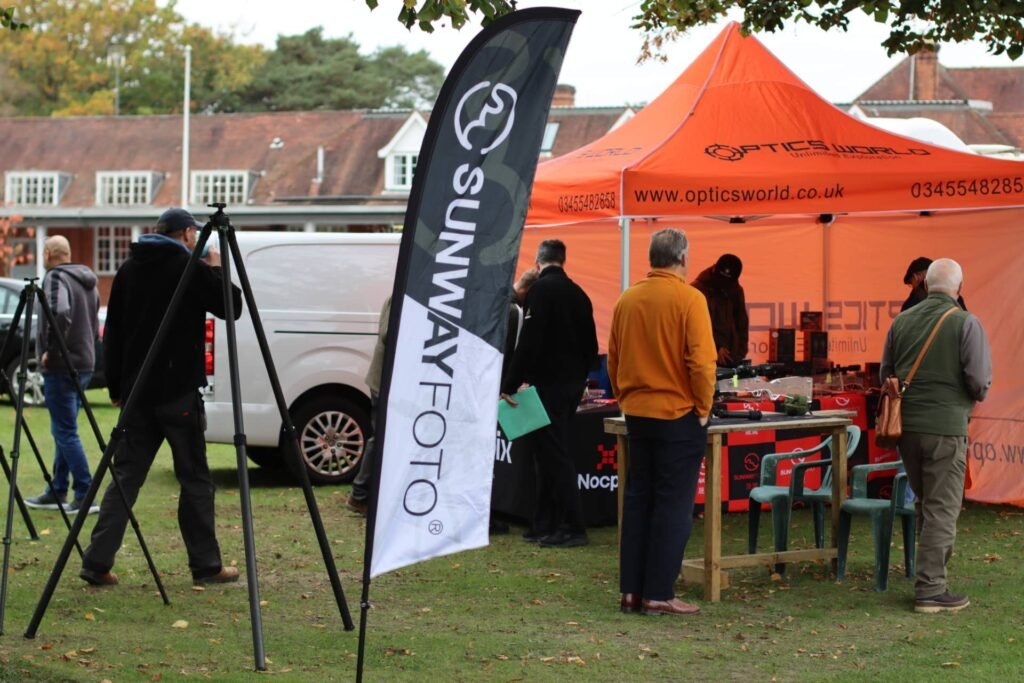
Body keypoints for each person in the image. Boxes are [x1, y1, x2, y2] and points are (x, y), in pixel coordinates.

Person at [79, 208, 242, 587]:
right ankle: (205, 564)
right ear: (187, 234)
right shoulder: (188, 268)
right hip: (178, 391)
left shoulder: (128, 270)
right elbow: (231, 305)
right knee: (195, 478)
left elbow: (114, 333)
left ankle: (97, 560)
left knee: (126, 477)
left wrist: (117, 388)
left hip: (138, 391)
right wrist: (216, 266)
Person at [608, 229, 717, 616]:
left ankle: (631, 592)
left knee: (639, 502)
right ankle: (658, 592)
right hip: (678, 415)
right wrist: (704, 408)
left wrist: (627, 398)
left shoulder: (628, 298)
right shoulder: (690, 299)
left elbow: (613, 359)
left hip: (638, 413)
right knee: (673, 505)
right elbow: (702, 363)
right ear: (683, 257)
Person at [880, 258, 991, 614]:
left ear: (924, 284)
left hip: (906, 428)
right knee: (942, 508)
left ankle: (927, 576)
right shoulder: (965, 322)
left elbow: (886, 374)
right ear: (959, 286)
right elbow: (978, 381)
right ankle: (931, 589)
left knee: (926, 503)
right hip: (946, 426)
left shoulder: (902, 322)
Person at [502, 240, 598, 548]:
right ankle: (543, 522)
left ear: (538, 262)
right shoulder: (579, 294)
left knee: (553, 456)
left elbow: (529, 342)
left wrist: (510, 382)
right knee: (549, 452)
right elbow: (592, 347)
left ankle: (572, 526)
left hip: (547, 386)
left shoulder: (541, 292)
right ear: (563, 260)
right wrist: (579, 378)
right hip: (570, 385)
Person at [25, 235, 101, 514]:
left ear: (48, 253)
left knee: (65, 430)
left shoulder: (55, 278)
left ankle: (84, 492)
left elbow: (60, 312)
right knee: (64, 428)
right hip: (84, 364)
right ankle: (57, 489)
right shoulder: (88, 281)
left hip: (62, 365)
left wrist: (53, 353)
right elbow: (93, 325)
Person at [345, 296, 391, 516]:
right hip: (385, 382)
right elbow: (388, 334)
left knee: (382, 438)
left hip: (386, 381)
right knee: (381, 438)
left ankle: (365, 494)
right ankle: (360, 494)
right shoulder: (401, 296)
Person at [691, 253, 748, 367]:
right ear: (714, 269)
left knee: (733, 383)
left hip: (731, 360)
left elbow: (741, 323)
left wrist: (739, 353)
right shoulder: (697, 290)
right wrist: (715, 348)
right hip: (703, 360)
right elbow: (695, 328)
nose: (723, 286)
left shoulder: (736, 290)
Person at [902, 256, 967, 312]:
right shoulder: (955, 297)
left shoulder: (912, 301)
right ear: (960, 287)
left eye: (911, 283)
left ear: (916, 277)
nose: (913, 287)